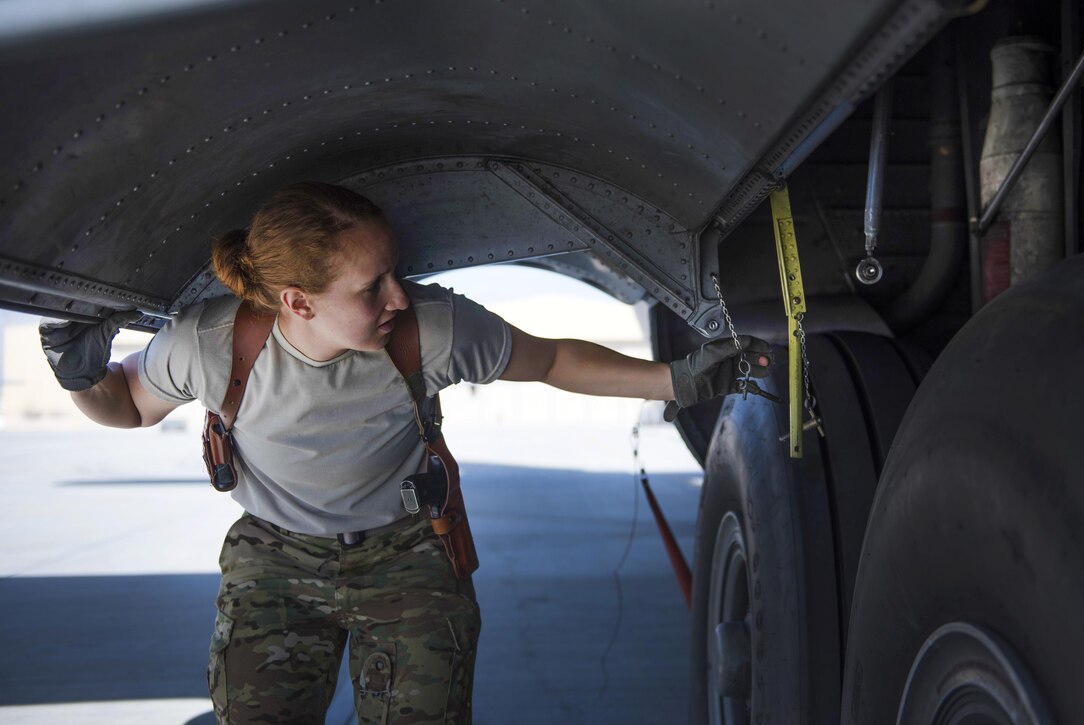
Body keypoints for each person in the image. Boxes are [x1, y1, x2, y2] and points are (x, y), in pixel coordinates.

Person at [39, 182, 771, 724]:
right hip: (276, 564)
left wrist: (673, 378)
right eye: (371, 286)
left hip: (408, 556)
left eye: (395, 271)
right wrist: (76, 375)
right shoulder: (212, 343)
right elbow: (126, 404)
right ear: (296, 302)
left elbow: (549, 361)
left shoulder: (431, 330)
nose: (397, 295)